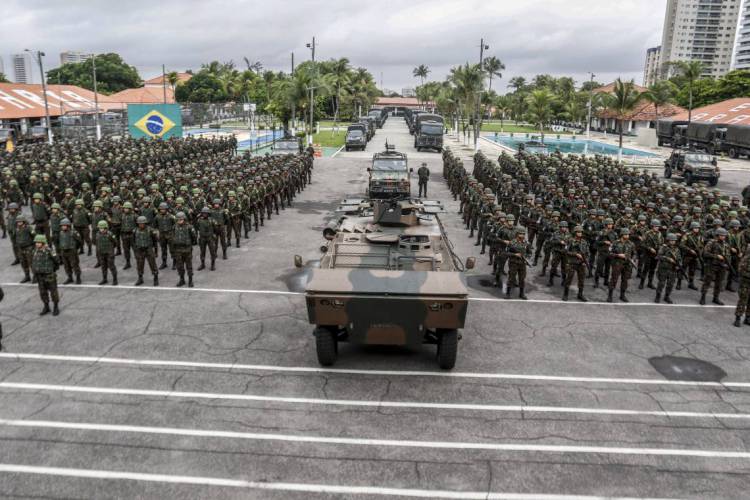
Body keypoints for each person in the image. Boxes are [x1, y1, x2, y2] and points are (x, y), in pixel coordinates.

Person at [31, 234, 60, 316]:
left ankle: (55, 307)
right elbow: (33, 262)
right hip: (40, 275)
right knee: (43, 292)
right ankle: (46, 306)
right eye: (36, 242)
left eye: (39, 242)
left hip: (49, 275)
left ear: (43, 243)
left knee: (53, 292)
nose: (37, 244)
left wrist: (52, 269)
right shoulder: (34, 251)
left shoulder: (49, 251)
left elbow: (57, 261)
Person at [701, 228, 731, 305]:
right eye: (721, 235)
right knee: (707, 282)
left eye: (724, 236)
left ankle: (716, 298)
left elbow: (728, 255)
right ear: (717, 235)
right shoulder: (711, 243)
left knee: (719, 283)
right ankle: (703, 297)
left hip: (722, 266)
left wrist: (727, 264)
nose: (723, 237)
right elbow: (705, 253)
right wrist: (716, 256)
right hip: (712, 265)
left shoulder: (726, 245)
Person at [608, 228, 636, 303]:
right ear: (622, 235)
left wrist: (633, 259)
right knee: (614, 279)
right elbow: (610, 253)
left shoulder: (631, 244)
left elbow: (634, 253)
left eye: (628, 234)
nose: (627, 236)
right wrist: (618, 255)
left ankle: (622, 295)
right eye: (625, 234)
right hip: (617, 263)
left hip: (627, 264)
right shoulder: (615, 243)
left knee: (625, 280)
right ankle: (610, 295)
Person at [564, 225, 589, 302]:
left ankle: (580, 294)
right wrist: (575, 254)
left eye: (581, 232)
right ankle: (565, 294)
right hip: (572, 262)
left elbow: (587, 253)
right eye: (578, 232)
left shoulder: (584, 242)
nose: (580, 233)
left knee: (581, 280)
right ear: (575, 232)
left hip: (581, 263)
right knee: (569, 278)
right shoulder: (570, 241)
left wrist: (585, 261)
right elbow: (566, 251)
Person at [655, 233, 681, 304]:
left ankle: (667, 296)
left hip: (672, 269)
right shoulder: (663, 247)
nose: (673, 242)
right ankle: (658, 295)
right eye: (671, 240)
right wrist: (668, 259)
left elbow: (679, 259)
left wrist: (678, 265)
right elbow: (658, 256)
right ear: (668, 240)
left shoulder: (677, 249)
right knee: (661, 283)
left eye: (674, 240)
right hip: (663, 269)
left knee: (670, 284)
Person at [133, 216, 159, 286]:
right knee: (139, 265)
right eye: (139, 223)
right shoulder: (135, 231)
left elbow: (155, 241)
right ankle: (140, 278)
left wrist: (156, 251)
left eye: (142, 223)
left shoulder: (150, 230)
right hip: (139, 250)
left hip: (148, 249)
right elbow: (133, 242)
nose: (141, 225)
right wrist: (135, 252)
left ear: (145, 223)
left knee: (152, 264)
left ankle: (155, 277)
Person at [172, 212, 196, 287]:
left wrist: (190, 244)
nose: (179, 221)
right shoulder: (174, 227)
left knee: (189, 265)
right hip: (178, 249)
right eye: (178, 219)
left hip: (187, 249)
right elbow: (173, 236)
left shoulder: (189, 227)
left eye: (181, 219)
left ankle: (190, 280)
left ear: (184, 219)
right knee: (180, 266)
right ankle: (182, 279)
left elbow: (194, 237)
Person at [504, 227, 529, 299]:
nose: (522, 235)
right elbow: (506, 253)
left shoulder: (526, 243)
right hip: (513, 263)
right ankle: (508, 293)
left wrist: (526, 257)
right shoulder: (512, 243)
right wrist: (514, 255)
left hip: (522, 263)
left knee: (522, 279)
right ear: (517, 234)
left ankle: (521, 294)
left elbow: (529, 253)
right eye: (520, 234)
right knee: (511, 278)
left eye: (523, 234)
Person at [58, 218, 81, 284]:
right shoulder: (61, 233)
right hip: (64, 251)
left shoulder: (73, 232)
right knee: (66, 265)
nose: (63, 227)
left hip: (71, 251)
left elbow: (79, 241)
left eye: (64, 225)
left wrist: (75, 248)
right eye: (62, 226)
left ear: (68, 225)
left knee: (75, 265)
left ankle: (78, 277)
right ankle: (70, 277)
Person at [94, 220, 118, 286]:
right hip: (101, 253)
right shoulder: (97, 234)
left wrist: (111, 249)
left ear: (105, 228)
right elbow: (97, 243)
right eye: (100, 228)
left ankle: (115, 279)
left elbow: (115, 243)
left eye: (102, 228)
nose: (101, 229)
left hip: (109, 253)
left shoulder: (110, 234)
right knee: (103, 267)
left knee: (111, 266)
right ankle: (104, 279)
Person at [734, 244, 750, 327]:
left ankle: (747, 318)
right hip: (746, 282)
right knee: (743, 300)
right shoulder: (747, 258)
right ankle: (738, 318)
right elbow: (740, 269)